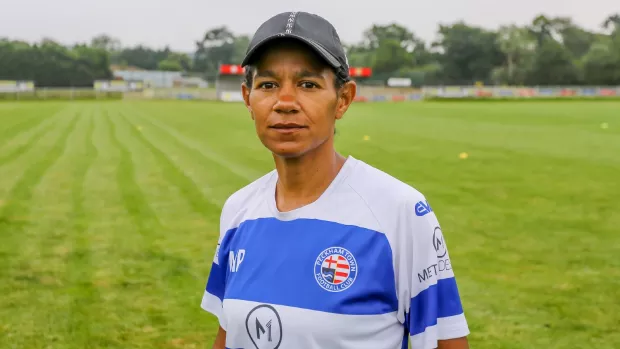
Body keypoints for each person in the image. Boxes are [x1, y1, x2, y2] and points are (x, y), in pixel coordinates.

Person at [200, 11, 470, 349]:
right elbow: (228, 338)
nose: (285, 103)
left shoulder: (400, 212)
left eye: (308, 84)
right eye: (268, 85)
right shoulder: (238, 211)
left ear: (343, 99)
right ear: (247, 99)